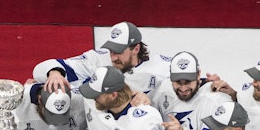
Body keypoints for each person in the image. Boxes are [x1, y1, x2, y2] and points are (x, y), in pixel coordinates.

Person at [34, 21, 167, 100]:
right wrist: (54, 73)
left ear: (136, 49)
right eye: (111, 51)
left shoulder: (161, 67)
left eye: (119, 52)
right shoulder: (97, 59)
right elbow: (44, 67)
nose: (113, 57)